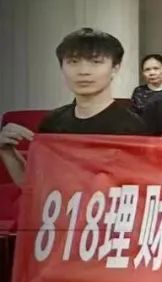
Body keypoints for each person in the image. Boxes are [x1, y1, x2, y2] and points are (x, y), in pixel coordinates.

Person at [1, 28, 147, 184]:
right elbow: (37, 186)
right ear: (62, 67)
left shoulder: (133, 127)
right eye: (73, 62)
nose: (83, 71)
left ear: (115, 68)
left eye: (95, 62)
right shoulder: (52, 122)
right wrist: (7, 151)